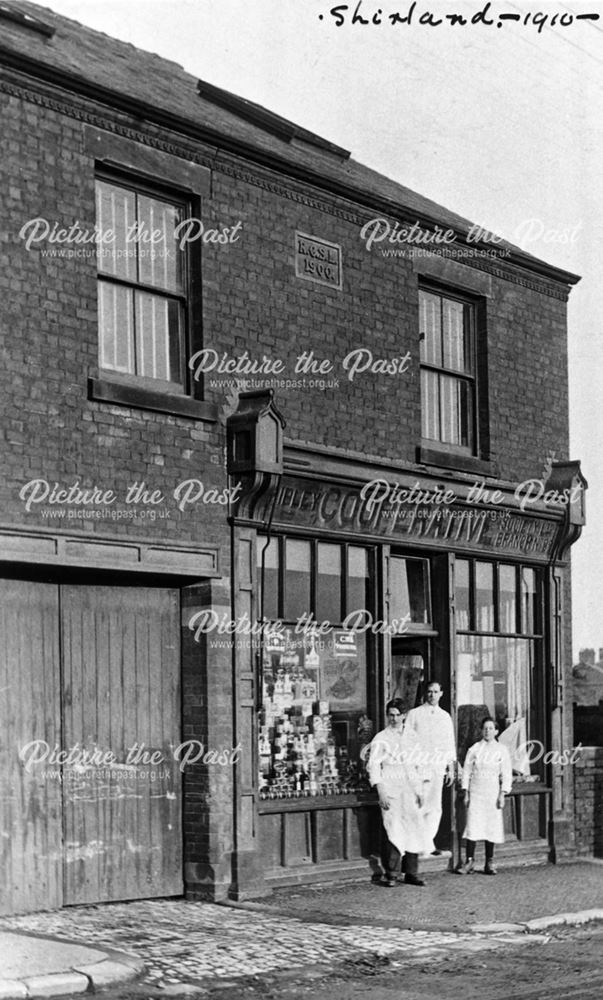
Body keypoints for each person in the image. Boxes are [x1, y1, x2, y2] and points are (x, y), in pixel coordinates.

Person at [367, 697, 432, 888]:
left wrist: (421, 791)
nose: (394, 719)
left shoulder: (413, 736)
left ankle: (411, 872)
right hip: (391, 789)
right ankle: (392, 872)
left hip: (411, 789)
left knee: (413, 828)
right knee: (393, 829)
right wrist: (381, 792)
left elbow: (421, 764)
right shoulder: (381, 738)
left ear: (404, 716)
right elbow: (374, 767)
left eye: (397, 715)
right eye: (391, 715)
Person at [456, 716, 513, 875]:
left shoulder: (501, 750)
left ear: (496, 731)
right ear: (481, 730)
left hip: (492, 792)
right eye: (485, 728)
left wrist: (502, 794)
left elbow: (506, 773)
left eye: (490, 728)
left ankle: (489, 862)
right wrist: (466, 792)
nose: (487, 731)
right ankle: (469, 862)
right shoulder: (474, 749)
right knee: (473, 826)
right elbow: (466, 772)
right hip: (476, 792)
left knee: (491, 826)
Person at [406, 681, 456, 854]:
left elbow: (449, 743)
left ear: (441, 694)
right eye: (429, 692)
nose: (432, 695)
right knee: (419, 804)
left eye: (435, 692)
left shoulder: (445, 717)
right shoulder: (414, 714)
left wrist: (450, 767)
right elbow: (408, 741)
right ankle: (418, 845)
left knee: (435, 807)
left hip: (437, 766)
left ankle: (428, 842)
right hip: (419, 766)